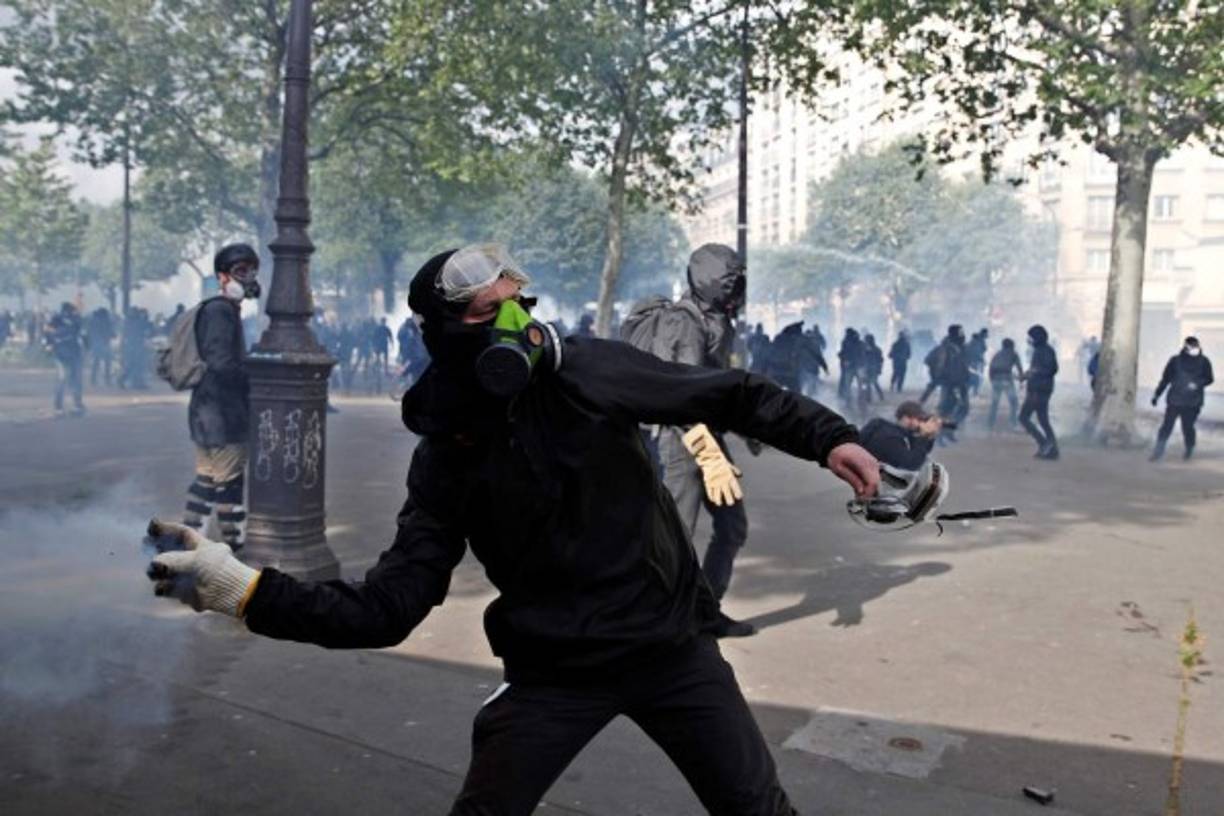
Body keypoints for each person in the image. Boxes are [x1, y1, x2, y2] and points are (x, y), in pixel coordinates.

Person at [147, 243, 880, 816]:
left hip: (671, 650)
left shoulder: (587, 370)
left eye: (518, 302)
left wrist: (830, 438)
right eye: (489, 311)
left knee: (757, 807)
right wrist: (238, 588)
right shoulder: (445, 457)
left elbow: (732, 392)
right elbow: (386, 609)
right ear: (446, 336)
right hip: (555, 674)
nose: (517, 319)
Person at [647, 244, 758, 638]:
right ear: (711, 282)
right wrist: (708, 455)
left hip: (707, 438)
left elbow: (715, 388)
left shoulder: (717, 320)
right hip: (684, 443)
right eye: (730, 282)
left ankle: (703, 612)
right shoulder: (686, 322)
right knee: (676, 538)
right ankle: (662, 625)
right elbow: (681, 394)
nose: (738, 290)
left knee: (732, 526)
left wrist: (748, 425)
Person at [181, 243, 260, 550]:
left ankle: (186, 542)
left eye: (252, 270)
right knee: (229, 484)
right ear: (222, 277)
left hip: (207, 414)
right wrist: (253, 372)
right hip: (223, 414)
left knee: (208, 481)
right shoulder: (221, 311)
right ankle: (237, 547)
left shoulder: (220, 310)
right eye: (241, 271)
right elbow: (221, 363)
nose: (249, 277)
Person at [1150, 337, 1214, 461]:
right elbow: (1165, 379)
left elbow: (1209, 378)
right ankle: (1158, 451)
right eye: (1192, 346)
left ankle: (1189, 448)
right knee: (1167, 426)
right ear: (1186, 347)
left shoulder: (1204, 361)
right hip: (1175, 399)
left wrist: (1197, 384)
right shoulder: (1175, 361)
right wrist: (1157, 395)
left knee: (1188, 426)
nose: (1195, 349)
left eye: (1196, 346)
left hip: (1193, 402)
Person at [858, 400, 942, 470]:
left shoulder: (886, 427)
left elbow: (917, 447)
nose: (919, 423)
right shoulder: (891, 438)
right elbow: (911, 464)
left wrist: (929, 436)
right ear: (906, 418)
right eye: (918, 419)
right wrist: (923, 436)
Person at [1019, 324, 1060, 460]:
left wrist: (1033, 373)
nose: (1029, 340)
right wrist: (1027, 374)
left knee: (1024, 417)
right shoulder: (1041, 350)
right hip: (1038, 388)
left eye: (1031, 337)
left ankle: (1045, 444)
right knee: (1042, 419)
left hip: (1040, 390)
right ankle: (1051, 447)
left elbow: (1051, 369)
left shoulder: (1045, 350)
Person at [44, 302, 85, 416]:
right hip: (61, 353)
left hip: (73, 352)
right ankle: (58, 407)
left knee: (75, 379)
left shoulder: (76, 320)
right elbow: (47, 332)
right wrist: (49, 344)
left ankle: (77, 405)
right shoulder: (56, 319)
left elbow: (82, 335)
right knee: (63, 378)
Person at [987, 338, 1024, 431]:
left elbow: (991, 368)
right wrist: (1021, 380)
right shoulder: (1013, 354)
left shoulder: (997, 354)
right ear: (1012, 346)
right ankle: (1013, 422)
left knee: (994, 403)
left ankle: (990, 423)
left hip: (996, 379)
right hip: (1007, 379)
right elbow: (1019, 367)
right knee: (1014, 403)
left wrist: (992, 380)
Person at [85, 306, 116, 387]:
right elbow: (111, 332)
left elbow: (89, 333)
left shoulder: (93, 321)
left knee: (96, 362)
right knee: (107, 363)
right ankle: (107, 379)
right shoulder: (106, 321)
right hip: (104, 343)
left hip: (97, 344)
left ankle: (93, 379)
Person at [837, 328, 863, 401]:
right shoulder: (847, 342)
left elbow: (845, 353)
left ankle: (847, 397)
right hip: (851, 365)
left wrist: (842, 357)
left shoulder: (847, 342)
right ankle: (848, 397)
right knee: (848, 382)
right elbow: (844, 352)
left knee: (848, 382)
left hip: (851, 365)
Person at [862, 333, 885, 402]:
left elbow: (880, 360)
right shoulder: (865, 348)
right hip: (867, 368)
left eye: (866, 340)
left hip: (873, 368)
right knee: (867, 383)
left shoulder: (876, 349)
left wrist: (879, 369)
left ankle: (876, 396)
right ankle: (868, 397)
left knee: (873, 383)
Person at [966, 329, 988, 398]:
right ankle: (973, 392)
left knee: (975, 377)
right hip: (974, 362)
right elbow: (977, 352)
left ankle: (973, 391)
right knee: (976, 378)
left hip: (974, 362)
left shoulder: (975, 341)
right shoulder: (977, 342)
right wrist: (982, 360)